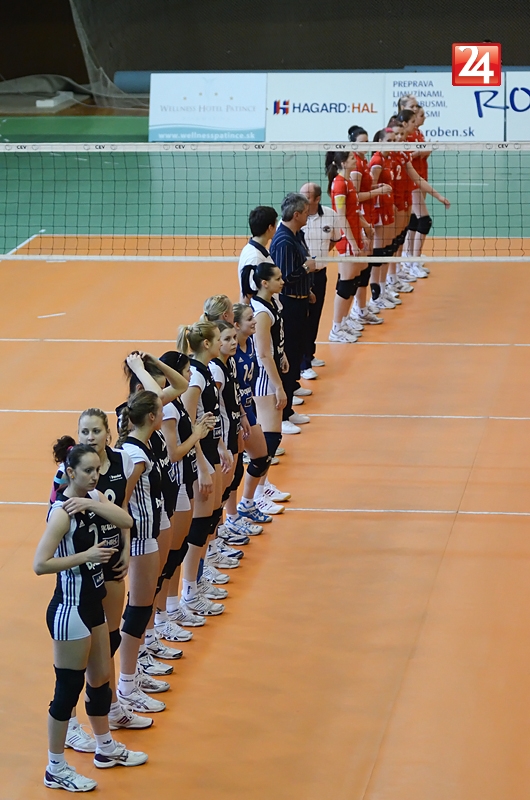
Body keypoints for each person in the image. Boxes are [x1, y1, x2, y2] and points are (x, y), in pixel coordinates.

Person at [34, 443, 147, 792]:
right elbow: (40, 564)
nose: (95, 475)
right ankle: (55, 767)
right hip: (70, 610)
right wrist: (85, 556)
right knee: (68, 689)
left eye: (97, 469)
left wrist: (93, 502)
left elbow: (127, 521)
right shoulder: (61, 513)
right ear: (71, 473)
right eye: (87, 471)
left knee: (100, 680)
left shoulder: (93, 498)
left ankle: (105, 747)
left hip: (93, 603)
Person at [50, 410, 152, 745]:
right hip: (83, 570)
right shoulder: (70, 474)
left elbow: (124, 510)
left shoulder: (120, 463)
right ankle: (72, 721)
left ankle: (110, 708)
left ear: (108, 433)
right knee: (77, 661)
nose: (90, 436)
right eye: (84, 431)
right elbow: (57, 521)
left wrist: (125, 549)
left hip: (111, 562)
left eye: (95, 430)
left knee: (108, 642)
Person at [175, 320, 229, 616]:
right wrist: (202, 465)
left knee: (210, 517)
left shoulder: (205, 370)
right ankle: (189, 590)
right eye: (219, 338)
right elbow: (188, 424)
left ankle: (199, 577)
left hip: (209, 449)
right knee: (198, 525)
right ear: (206, 344)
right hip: (199, 455)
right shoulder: (194, 377)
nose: (222, 342)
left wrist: (219, 445)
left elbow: (209, 415)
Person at [269, 193, 316, 433]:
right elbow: (285, 278)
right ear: (296, 215)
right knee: (286, 355)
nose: (309, 215)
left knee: (296, 351)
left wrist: (307, 290)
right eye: (306, 212)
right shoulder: (284, 241)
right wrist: (306, 268)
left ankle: (289, 407)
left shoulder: (296, 235)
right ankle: (282, 415)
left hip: (300, 302)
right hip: (289, 306)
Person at [346, 126, 392, 324]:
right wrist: (378, 192)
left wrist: (377, 186)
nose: (366, 145)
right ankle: (357, 309)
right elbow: (355, 196)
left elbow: (364, 187)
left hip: (368, 216)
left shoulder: (363, 161)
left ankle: (362, 307)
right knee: (359, 268)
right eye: (362, 142)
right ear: (353, 143)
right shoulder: (356, 164)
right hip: (360, 217)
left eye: (367, 142)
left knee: (365, 265)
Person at [325, 151, 370, 341]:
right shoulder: (339, 184)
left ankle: (344, 320)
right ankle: (336, 328)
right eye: (351, 158)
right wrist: (352, 242)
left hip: (355, 235)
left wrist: (364, 230)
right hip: (346, 239)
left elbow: (354, 212)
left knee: (355, 279)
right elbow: (341, 217)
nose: (355, 160)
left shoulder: (348, 181)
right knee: (345, 284)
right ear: (343, 163)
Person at [299, 182, 342, 373]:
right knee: (302, 318)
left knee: (315, 315)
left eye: (307, 197)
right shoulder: (296, 216)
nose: (302, 200)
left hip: (319, 274)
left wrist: (320, 257)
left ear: (317, 199)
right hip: (300, 276)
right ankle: (302, 364)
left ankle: (309, 354)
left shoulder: (331, 215)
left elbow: (334, 240)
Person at [237, 206, 278, 303]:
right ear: (270, 228)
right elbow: (248, 294)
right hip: (260, 310)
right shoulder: (255, 258)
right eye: (275, 225)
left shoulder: (254, 249)